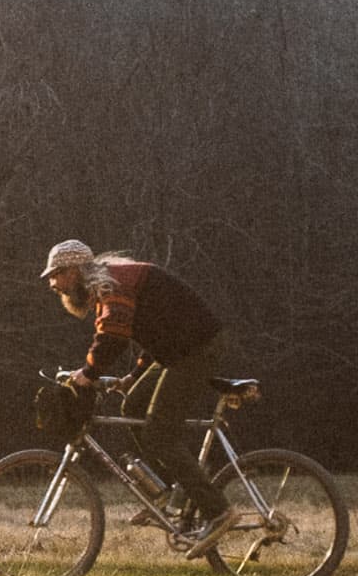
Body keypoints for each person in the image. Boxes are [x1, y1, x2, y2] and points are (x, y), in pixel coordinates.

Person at [40, 238, 238, 557]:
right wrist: (132, 376)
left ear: (75, 270)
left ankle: (218, 511)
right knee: (132, 404)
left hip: (197, 349)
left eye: (56, 275)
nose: (52, 284)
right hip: (180, 347)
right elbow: (156, 325)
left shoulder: (111, 283)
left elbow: (113, 335)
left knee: (160, 435)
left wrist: (87, 373)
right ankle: (173, 494)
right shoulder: (111, 280)